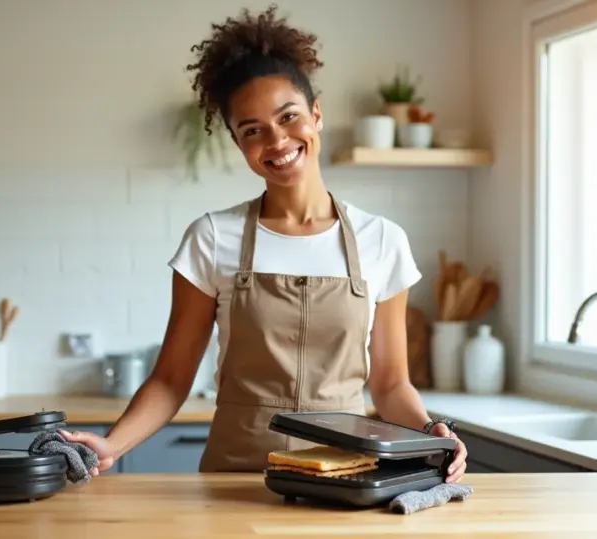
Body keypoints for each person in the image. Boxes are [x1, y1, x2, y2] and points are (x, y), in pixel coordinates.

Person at [60, 3, 467, 483]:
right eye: (253, 130)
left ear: (315, 115)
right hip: (234, 477)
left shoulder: (382, 241)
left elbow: (391, 383)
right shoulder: (212, 238)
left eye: (288, 117)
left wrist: (430, 430)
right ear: (239, 144)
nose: (276, 140)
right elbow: (171, 379)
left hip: (346, 479)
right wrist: (111, 443)